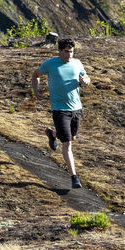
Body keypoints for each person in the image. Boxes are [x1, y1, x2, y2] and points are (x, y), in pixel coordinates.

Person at [30, 37, 90, 188]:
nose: (69, 55)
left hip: (76, 108)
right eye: (66, 52)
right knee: (67, 143)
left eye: (71, 52)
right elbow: (36, 74)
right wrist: (36, 90)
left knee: (72, 137)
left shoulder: (77, 63)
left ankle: (52, 134)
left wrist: (86, 81)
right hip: (59, 109)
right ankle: (74, 177)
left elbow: (86, 77)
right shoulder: (50, 63)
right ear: (60, 51)